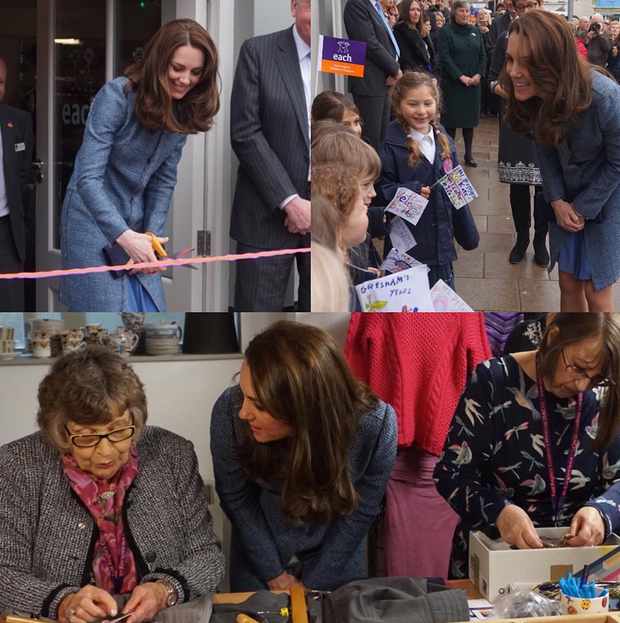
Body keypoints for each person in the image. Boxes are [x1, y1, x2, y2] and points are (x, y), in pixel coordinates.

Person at [0, 346, 225, 622]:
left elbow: (208, 557)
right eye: (87, 436)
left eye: (119, 431)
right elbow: (4, 572)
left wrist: (165, 590)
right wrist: (64, 602)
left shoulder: (173, 453)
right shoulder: (17, 464)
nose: (106, 452)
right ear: (59, 430)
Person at [210, 321, 398, 591]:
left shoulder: (377, 427)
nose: (244, 413)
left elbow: (362, 510)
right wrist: (274, 574)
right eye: (244, 394)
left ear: (304, 409)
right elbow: (236, 497)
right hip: (261, 559)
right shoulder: (229, 411)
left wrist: (314, 580)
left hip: (336, 558)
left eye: (260, 405)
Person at [434, 313, 620, 579]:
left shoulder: (603, 393)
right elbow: (450, 474)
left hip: (581, 564)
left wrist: (603, 512)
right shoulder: (493, 380)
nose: (581, 384)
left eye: (594, 377)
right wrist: (499, 511)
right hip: (496, 554)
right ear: (553, 337)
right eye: (577, 368)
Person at [60, 19, 219, 312]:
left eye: (196, 72)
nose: (186, 79)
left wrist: (151, 240)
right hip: (91, 220)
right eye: (177, 68)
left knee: (150, 307)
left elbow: (163, 181)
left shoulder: (184, 109)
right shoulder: (116, 97)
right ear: (158, 62)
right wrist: (124, 237)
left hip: (137, 226)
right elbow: (87, 178)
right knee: (107, 311)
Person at [500, 10, 620, 311]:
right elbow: (545, 149)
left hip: (604, 200)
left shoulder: (606, 97)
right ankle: (572, 344)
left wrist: (580, 208)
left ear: (555, 60)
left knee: (596, 290)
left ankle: (602, 355)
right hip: (564, 201)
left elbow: (618, 163)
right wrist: (555, 200)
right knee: (567, 282)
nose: (513, 71)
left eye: (526, 62)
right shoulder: (537, 95)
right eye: (510, 59)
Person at [230, 0, 311, 313]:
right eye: (309, 8)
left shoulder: (339, 52)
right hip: (265, 213)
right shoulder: (257, 51)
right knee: (258, 323)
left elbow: (351, 126)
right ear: (293, 7)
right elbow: (245, 133)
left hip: (326, 214)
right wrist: (291, 201)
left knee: (323, 324)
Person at [377, 71, 480, 290]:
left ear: (436, 103)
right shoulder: (390, 146)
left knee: (442, 306)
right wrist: (408, 191)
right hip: (406, 248)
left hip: (441, 245)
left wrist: (467, 231)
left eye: (427, 103)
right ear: (398, 106)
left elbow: (456, 189)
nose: (421, 111)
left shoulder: (444, 139)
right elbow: (379, 189)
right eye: (413, 104)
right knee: (406, 307)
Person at [487, 0, 548, 267]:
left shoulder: (551, 38)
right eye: (519, 5)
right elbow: (492, 79)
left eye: (530, 4)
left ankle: (540, 241)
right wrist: (515, 92)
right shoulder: (505, 38)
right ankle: (522, 238)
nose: (524, 10)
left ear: (540, 4)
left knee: (547, 186)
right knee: (518, 186)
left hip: (546, 121)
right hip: (516, 120)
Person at [344, 0, 403, 148]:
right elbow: (370, 43)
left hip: (383, 80)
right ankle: (370, 171)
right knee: (370, 139)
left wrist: (392, 69)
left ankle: (379, 170)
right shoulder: (356, 4)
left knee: (382, 138)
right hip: (369, 82)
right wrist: (395, 69)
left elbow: (385, 42)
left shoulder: (375, 7)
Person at [0, 56, 34, 311]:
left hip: (6, 229)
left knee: (10, 305)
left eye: (0, 82)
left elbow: (22, 175)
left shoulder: (19, 121)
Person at [437, 0, 487, 167]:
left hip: (473, 84)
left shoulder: (475, 32)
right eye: (461, 11)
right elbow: (444, 57)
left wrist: (479, 75)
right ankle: (449, 153)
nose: (465, 14)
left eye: (467, 11)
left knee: (469, 121)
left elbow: (483, 54)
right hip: (453, 84)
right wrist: (460, 76)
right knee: (451, 121)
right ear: (454, 13)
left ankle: (469, 154)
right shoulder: (446, 32)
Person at [393, 0, 435, 75]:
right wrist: (424, 77)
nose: (416, 13)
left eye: (418, 10)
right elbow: (406, 61)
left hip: (428, 76)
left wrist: (434, 77)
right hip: (416, 78)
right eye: (412, 9)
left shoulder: (420, 31)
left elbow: (431, 57)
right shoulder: (399, 31)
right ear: (405, 11)